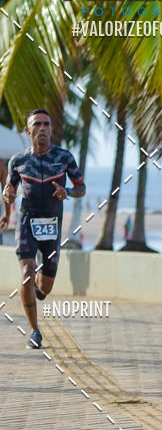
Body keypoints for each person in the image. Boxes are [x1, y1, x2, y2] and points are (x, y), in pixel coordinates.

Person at [0, 109, 86, 348]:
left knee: (45, 287)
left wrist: (68, 191)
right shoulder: (18, 161)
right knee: (27, 272)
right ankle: (35, 331)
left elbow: (81, 187)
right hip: (27, 221)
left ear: (51, 129)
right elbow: (9, 190)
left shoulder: (64, 157)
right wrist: (7, 200)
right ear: (28, 131)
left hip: (52, 225)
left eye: (46, 124)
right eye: (37, 124)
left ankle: (37, 291)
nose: (42, 128)